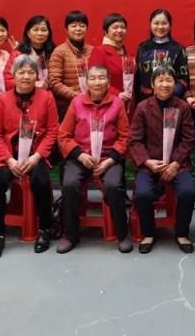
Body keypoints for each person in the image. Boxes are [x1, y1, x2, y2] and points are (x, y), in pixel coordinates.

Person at [0, 55, 59, 260]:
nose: (26, 76)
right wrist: (8, 159)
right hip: (7, 156)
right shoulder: (2, 99)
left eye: (30, 72)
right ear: (13, 74)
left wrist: (37, 157)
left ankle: (45, 228)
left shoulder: (46, 97)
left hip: (36, 155)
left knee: (41, 180)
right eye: (22, 72)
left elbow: (53, 131)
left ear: (37, 75)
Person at [56, 66, 132, 253]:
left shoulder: (116, 104)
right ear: (86, 82)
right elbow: (63, 136)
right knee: (69, 184)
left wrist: (110, 160)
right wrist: (79, 155)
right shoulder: (76, 102)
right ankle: (70, 234)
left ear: (108, 82)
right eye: (93, 78)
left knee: (114, 186)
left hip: (108, 157)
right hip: (81, 156)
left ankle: (122, 234)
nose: (97, 82)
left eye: (101, 78)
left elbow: (124, 137)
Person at [129, 65, 195, 254]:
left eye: (169, 80)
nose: (164, 84)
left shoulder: (182, 107)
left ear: (174, 84)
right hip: (150, 164)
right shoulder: (143, 107)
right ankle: (148, 233)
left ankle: (182, 233)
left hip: (177, 164)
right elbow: (134, 140)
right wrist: (147, 162)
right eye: (160, 80)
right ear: (152, 84)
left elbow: (188, 139)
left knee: (188, 192)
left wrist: (175, 163)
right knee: (142, 194)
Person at [133, 8, 189, 104]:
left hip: (171, 100)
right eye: (156, 23)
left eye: (164, 23)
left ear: (170, 25)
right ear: (150, 25)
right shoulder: (142, 47)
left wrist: (167, 93)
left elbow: (184, 80)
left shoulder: (178, 49)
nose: (160, 27)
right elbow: (137, 78)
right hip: (145, 101)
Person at [48, 10, 94, 118]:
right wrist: (78, 96)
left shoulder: (93, 51)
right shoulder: (59, 51)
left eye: (82, 25)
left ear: (86, 28)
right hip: (67, 108)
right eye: (73, 26)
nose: (78, 29)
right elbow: (54, 83)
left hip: (92, 105)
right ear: (66, 29)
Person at [87, 13, 133, 103]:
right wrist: (117, 94)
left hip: (129, 103)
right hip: (109, 102)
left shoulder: (127, 53)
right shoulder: (99, 51)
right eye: (115, 27)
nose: (119, 30)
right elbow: (95, 80)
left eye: (122, 27)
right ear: (106, 31)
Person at [4, 14, 56, 90]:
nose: (40, 33)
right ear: (28, 33)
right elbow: (8, 82)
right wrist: (32, 84)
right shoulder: (18, 54)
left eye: (44, 30)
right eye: (35, 30)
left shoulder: (54, 52)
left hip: (51, 96)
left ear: (49, 33)